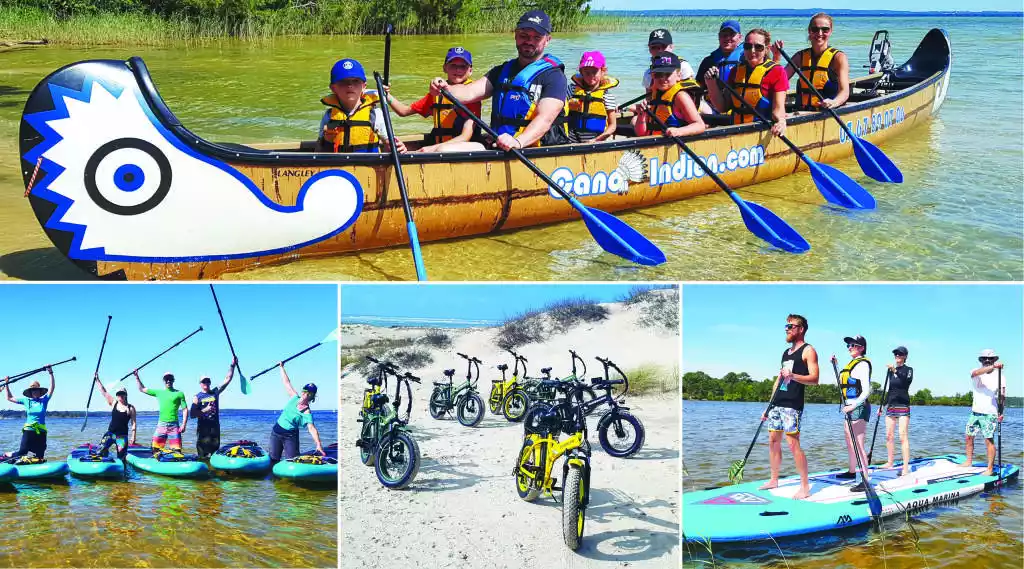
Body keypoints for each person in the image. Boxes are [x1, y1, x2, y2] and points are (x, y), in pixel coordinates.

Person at [427, 9, 570, 152]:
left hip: (533, 149)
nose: (529, 41)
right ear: (515, 35)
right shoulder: (501, 71)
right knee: (442, 150)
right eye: (524, 35)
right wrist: (444, 89)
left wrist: (517, 142)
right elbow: (468, 92)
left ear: (547, 40)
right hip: (499, 145)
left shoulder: (555, 77)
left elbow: (545, 119)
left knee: (442, 151)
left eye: (536, 37)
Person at [760, 314, 819, 500]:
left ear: (800, 329)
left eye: (790, 326)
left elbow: (815, 379)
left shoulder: (809, 351)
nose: (786, 328)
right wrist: (768, 406)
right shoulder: (786, 352)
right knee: (772, 441)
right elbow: (779, 379)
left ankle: (804, 487)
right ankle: (773, 479)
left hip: (793, 405)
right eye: (786, 325)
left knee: (793, 444)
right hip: (777, 403)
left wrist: (792, 375)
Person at [384, 47, 481, 151]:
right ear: (444, 68)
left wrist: (431, 149)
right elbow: (403, 111)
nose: (458, 70)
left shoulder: (472, 96)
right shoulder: (437, 92)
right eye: (453, 65)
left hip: (462, 149)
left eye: (463, 66)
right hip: (438, 147)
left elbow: (465, 137)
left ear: (470, 71)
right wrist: (386, 94)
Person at [705, 28, 789, 136]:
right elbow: (722, 107)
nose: (752, 51)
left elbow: (778, 109)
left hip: (760, 129)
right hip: (736, 128)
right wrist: (711, 83)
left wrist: (781, 122)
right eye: (748, 47)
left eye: (758, 47)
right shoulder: (736, 71)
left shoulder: (777, 71)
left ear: (767, 49)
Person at [318, 58, 405, 153]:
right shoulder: (328, 115)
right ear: (333, 88)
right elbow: (319, 147)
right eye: (343, 82)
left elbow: (389, 144)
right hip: (337, 165)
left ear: (364, 86)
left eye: (355, 81)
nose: (350, 85)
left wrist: (398, 147)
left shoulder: (375, 114)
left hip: (369, 166)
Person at [772, 13, 850, 111]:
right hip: (803, 110)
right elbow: (778, 81)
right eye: (815, 29)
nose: (820, 33)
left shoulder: (838, 58)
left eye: (825, 29)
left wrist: (834, 102)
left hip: (829, 110)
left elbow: (844, 92)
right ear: (809, 31)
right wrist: (776, 57)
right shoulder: (800, 56)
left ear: (830, 31)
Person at [831, 335, 873, 492]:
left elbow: (867, 390)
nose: (849, 347)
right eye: (848, 345)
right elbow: (849, 380)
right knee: (850, 441)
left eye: (853, 345)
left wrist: (853, 405)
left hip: (858, 407)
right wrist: (836, 365)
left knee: (859, 444)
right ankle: (851, 472)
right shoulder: (852, 364)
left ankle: (866, 480)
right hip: (849, 406)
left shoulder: (863, 365)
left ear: (861, 347)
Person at [632, 52, 706, 138]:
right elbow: (640, 134)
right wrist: (641, 115)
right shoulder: (654, 95)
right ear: (652, 75)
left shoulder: (681, 97)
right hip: (655, 145)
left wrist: (679, 131)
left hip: (674, 146)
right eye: (658, 74)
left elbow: (699, 125)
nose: (662, 78)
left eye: (667, 74)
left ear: (678, 75)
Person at [269, 362, 325, 462]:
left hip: (290, 436)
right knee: (273, 460)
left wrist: (318, 444)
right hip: (276, 432)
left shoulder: (306, 412)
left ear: (312, 397)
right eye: (305, 390)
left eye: (309, 393)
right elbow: (286, 382)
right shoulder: (294, 396)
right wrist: (281, 367)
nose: (305, 394)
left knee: (292, 461)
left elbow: (312, 429)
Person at [964, 349, 1005, 476]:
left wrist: (1001, 412)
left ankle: (990, 468)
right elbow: (976, 373)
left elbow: (1002, 396)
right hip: (975, 412)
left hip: (990, 413)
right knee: (968, 437)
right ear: (981, 360)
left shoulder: (1000, 376)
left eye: (990, 358)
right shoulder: (975, 372)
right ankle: (969, 461)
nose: (987, 360)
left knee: (988, 440)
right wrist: (993, 367)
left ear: (994, 359)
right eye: (984, 359)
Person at [1, 368, 55, 459]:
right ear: (30, 392)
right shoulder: (26, 401)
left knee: (40, 455)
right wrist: (7, 384)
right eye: (33, 390)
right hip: (29, 430)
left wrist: (50, 372)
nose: (35, 392)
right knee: (22, 453)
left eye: (36, 390)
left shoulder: (44, 401)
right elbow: (9, 398)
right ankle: (7, 455)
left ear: (40, 391)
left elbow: (52, 388)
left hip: (41, 431)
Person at [567, 51, 619, 143]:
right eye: (587, 72)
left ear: (603, 71)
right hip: (571, 140)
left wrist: (596, 140)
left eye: (594, 72)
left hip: (596, 141)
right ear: (581, 72)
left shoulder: (607, 96)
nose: (590, 76)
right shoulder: (571, 89)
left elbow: (612, 126)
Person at [191, 357, 236, 459]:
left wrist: (232, 365)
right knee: (203, 455)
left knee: (215, 452)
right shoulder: (196, 397)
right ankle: (203, 470)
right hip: (203, 429)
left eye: (208, 381)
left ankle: (214, 471)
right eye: (204, 381)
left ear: (210, 383)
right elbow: (192, 414)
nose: (206, 383)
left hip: (215, 428)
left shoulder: (215, 392)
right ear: (200, 384)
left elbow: (227, 379)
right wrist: (204, 410)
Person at [135, 370, 188, 451]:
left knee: (177, 451)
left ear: (173, 380)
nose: (168, 381)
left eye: (170, 379)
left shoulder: (179, 393)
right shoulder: (159, 392)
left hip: (174, 426)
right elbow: (142, 389)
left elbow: (185, 409)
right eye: (166, 379)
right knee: (155, 449)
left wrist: (184, 424)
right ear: (164, 380)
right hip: (161, 425)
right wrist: (137, 377)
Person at [881, 346, 913, 475]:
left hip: (903, 405)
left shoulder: (908, 370)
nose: (897, 356)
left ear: (905, 356)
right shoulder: (890, 372)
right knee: (889, 436)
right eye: (896, 354)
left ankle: (905, 468)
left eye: (900, 354)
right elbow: (890, 389)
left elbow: (905, 381)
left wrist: (895, 370)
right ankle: (890, 462)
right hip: (891, 406)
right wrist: (882, 405)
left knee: (902, 437)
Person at [91, 375, 137, 459]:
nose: (120, 395)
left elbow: (133, 423)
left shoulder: (131, 408)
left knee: (121, 457)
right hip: (111, 434)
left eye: (122, 393)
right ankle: (105, 455)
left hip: (122, 437)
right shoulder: (113, 403)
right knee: (99, 451)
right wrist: (97, 380)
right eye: (118, 394)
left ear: (126, 395)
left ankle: (122, 469)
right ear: (116, 395)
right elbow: (104, 392)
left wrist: (133, 436)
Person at [697, 20, 745, 94]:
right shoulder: (708, 61)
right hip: (713, 103)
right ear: (719, 37)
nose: (727, 38)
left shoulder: (746, 58)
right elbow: (698, 86)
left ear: (740, 37)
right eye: (724, 35)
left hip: (739, 102)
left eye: (732, 34)